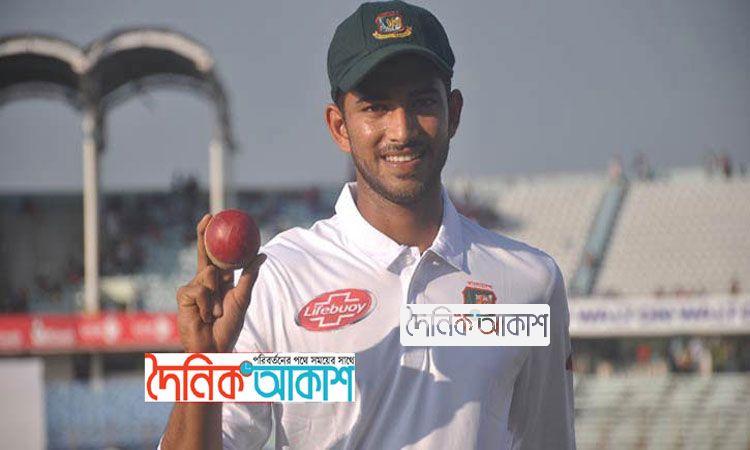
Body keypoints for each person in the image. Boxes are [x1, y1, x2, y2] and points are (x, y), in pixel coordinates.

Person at [160, 1, 575, 449]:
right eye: (376, 107)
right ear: (339, 126)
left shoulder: (530, 282)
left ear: (453, 113)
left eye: (422, 102)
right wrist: (203, 363)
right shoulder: (277, 280)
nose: (402, 130)